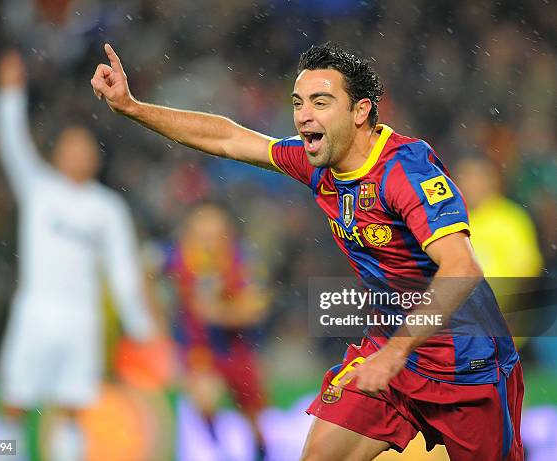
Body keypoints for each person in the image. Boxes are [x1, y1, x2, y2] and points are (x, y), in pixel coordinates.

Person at [91, 42, 523, 460]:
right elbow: (228, 138)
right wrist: (133, 107)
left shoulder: (405, 171)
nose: (303, 117)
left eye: (320, 102)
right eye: (298, 103)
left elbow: (462, 267)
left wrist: (396, 353)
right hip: (387, 359)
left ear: (360, 111)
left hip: (468, 365)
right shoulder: (318, 164)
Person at [0, 50, 156, 461]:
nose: (78, 154)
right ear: (57, 154)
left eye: (85, 147)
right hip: (35, 312)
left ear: (96, 157)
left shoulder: (107, 209)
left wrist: (139, 325)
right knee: (13, 403)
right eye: (71, 147)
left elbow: (121, 270)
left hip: (81, 319)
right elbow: (12, 143)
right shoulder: (38, 189)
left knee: (72, 409)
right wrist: (11, 95)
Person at [166, 202, 269, 460]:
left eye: (214, 235)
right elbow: (147, 275)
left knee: (254, 418)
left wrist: (220, 314)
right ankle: (217, 448)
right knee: (204, 400)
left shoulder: (243, 260)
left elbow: (255, 309)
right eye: (201, 235)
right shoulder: (177, 257)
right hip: (199, 347)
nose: (207, 242)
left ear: (228, 234)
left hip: (237, 347)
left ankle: (260, 450)